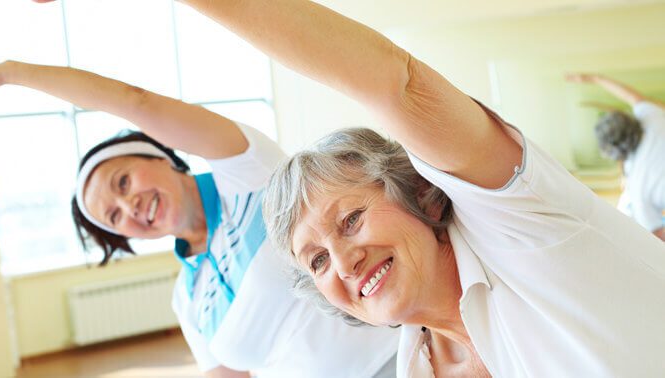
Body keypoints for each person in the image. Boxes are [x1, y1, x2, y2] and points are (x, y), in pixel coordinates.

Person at [162, 0, 665, 376]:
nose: (341, 264)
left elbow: (395, 82)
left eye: (351, 221)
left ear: (419, 194)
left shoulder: (524, 230)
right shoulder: (415, 365)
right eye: (316, 261)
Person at [0, 61, 401, 377]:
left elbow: (133, 101)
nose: (130, 208)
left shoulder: (250, 177)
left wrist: (9, 74)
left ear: (158, 154)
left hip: (396, 363)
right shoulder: (188, 297)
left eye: (123, 183)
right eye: (114, 217)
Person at [566, 73, 665, 241]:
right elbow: (631, 96)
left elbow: (659, 235)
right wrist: (596, 79)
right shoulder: (654, 117)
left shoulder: (637, 189)